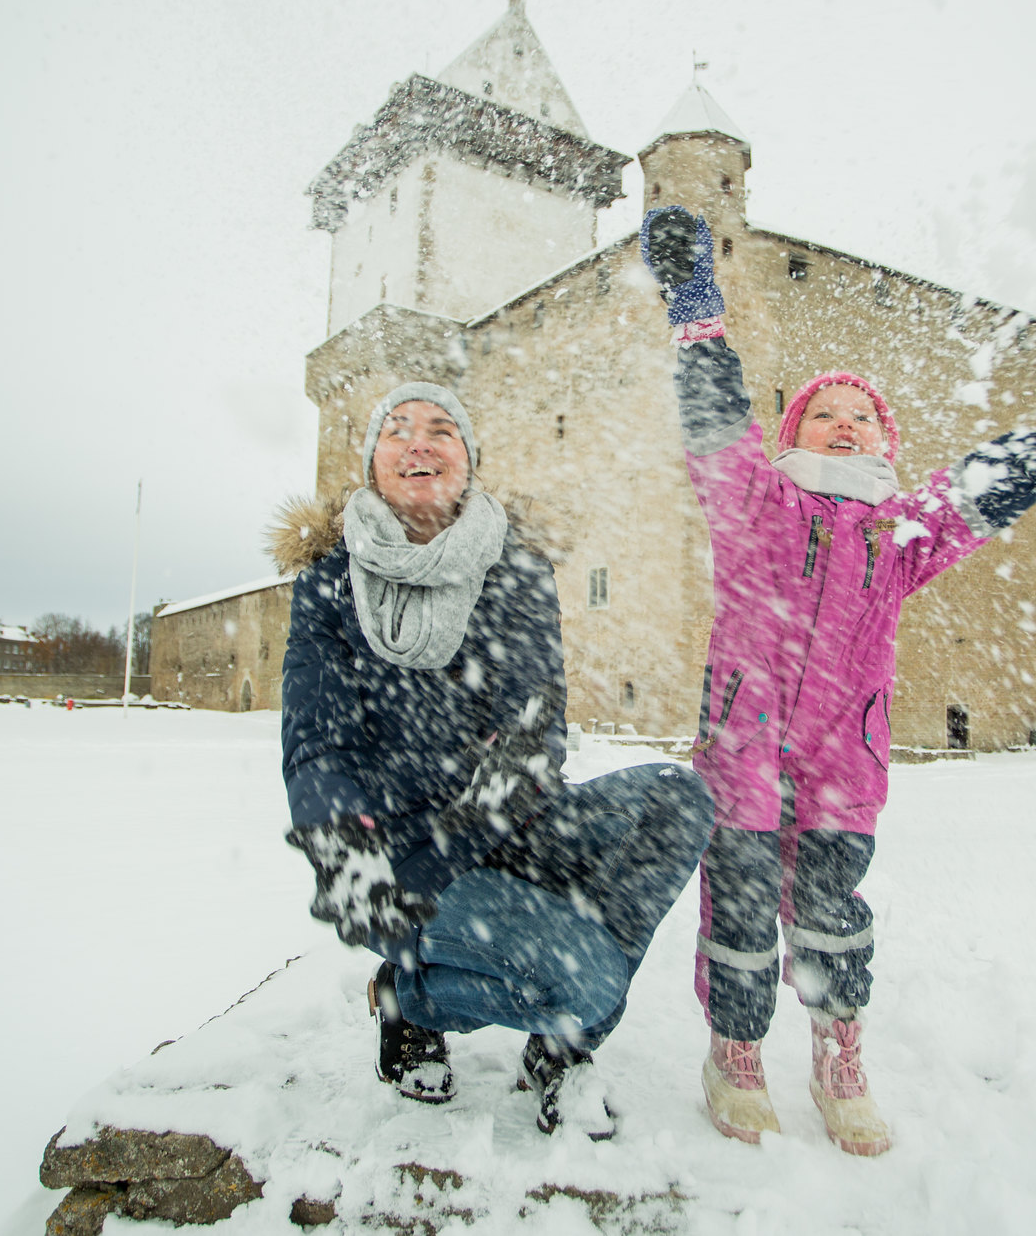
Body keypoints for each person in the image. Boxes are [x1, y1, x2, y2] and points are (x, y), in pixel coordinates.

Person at [640, 207, 1036, 1156]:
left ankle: (838, 1045)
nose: (844, 421)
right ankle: (734, 1049)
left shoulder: (899, 533)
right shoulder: (755, 500)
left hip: (842, 759)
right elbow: (713, 415)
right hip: (741, 743)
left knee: (832, 913)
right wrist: (695, 303)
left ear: (883, 442)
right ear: (796, 430)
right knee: (738, 907)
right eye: (824, 411)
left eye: (862, 415)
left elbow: (996, 480)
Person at [277, 383, 713, 1140]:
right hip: (399, 855)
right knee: (585, 980)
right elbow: (318, 744)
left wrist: (468, 844)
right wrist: (352, 861)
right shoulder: (328, 583)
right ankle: (416, 999)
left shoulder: (514, 569)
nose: (420, 442)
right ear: (371, 462)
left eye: (442, 429)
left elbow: (532, 737)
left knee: (680, 797)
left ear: (470, 460)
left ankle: (548, 1024)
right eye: (398, 430)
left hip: (508, 823)